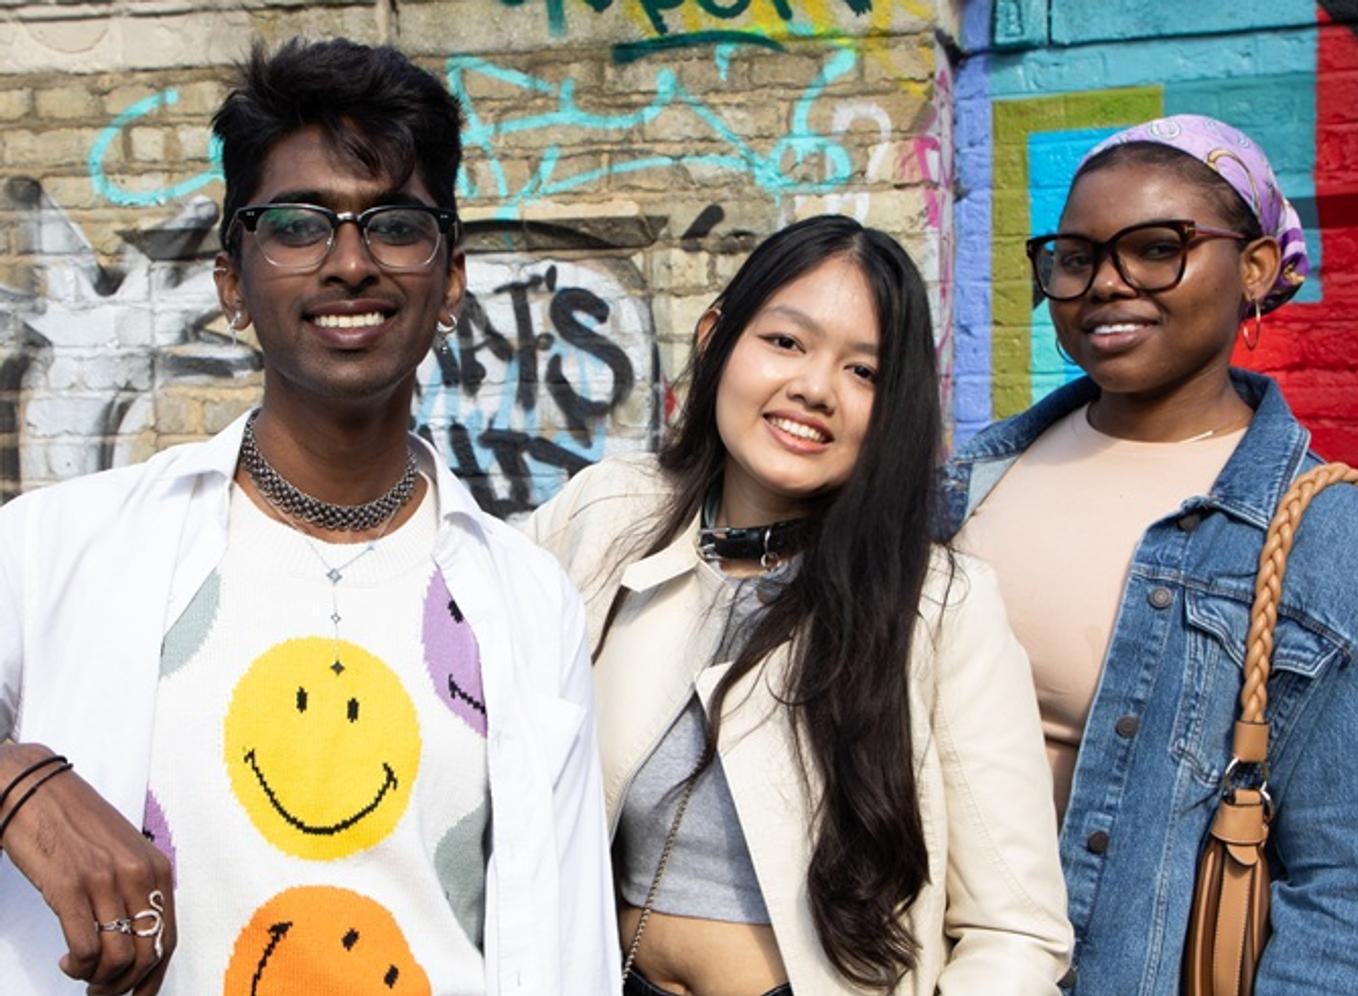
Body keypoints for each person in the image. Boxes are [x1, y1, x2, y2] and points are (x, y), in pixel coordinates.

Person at [0, 38, 618, 995]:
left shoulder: (525, 601)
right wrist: (20, 783)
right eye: (296, 225)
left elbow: (566, 938)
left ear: (450, 278)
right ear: (232, 283)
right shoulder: (64, 546)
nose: (349, 263)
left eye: (395, 225)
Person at [526, 214, 1072, 996]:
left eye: (864, 373)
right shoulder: (606, 514)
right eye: (786, 342)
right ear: (717, 339)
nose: (815, 389)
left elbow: (1012, 930)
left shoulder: (939, 606)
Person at [941, 114, 1358, 994]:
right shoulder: (967, 481)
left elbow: (1350, 899)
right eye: (1076, 257)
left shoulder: (1335, 538)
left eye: (1157, 248)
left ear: (1255, 269)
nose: (1106, 284)